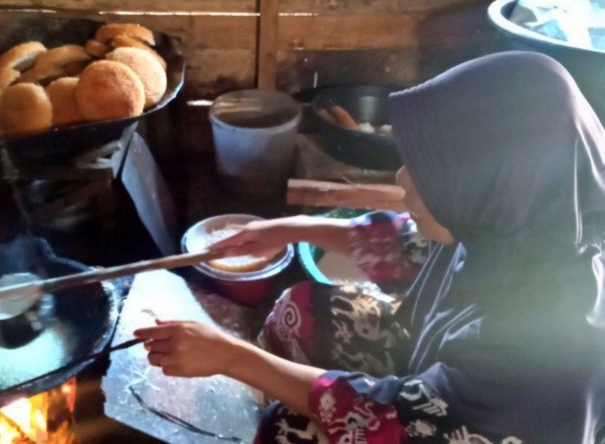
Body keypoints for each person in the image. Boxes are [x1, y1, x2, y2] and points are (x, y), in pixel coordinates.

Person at [134, 51, 605, 443]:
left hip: (466, 428)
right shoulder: (521, 214)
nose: (402, 181)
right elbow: (408, 242)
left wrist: (234, 358)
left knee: (288, 430)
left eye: (431, 171)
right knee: (300, 310)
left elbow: (401, 420)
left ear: (496, 179)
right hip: (445, 378)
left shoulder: (550, 341)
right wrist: (290, 228)